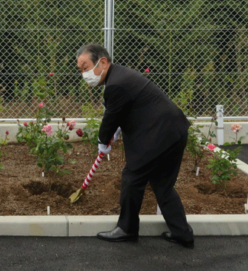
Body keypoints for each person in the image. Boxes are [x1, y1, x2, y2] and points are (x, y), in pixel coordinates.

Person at [76, 44, 194, 249]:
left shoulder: (116, 84)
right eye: (80, 70)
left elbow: (110, 117)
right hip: (174, 131)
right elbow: (128, 109)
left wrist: (103, 141)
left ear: (102, 62)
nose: (84, 74)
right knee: (162, 185)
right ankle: (182, 233)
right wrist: (115, 130)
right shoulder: (120, 76)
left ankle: (127, 229)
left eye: (86, 67)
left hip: (159, 136)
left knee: (132, 178)